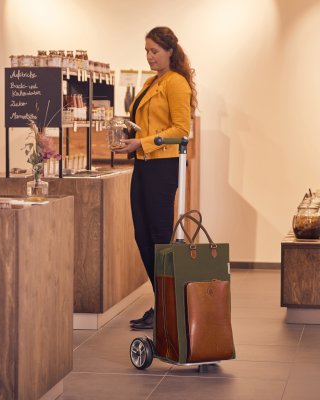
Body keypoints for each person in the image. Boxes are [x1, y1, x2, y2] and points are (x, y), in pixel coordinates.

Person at [115, 26, 197, 330]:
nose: (150, 57)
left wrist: (144, 142)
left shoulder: (176, 83)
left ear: (170, 51)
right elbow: (144, 121)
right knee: (142, 235)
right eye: (147, 51)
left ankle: (169, 306)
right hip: (143, 164)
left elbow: (181, 129)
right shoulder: (152, 82)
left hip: (162, 166)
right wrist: (128, 135)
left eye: (155, 51)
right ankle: (163, 301)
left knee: (160, 237)